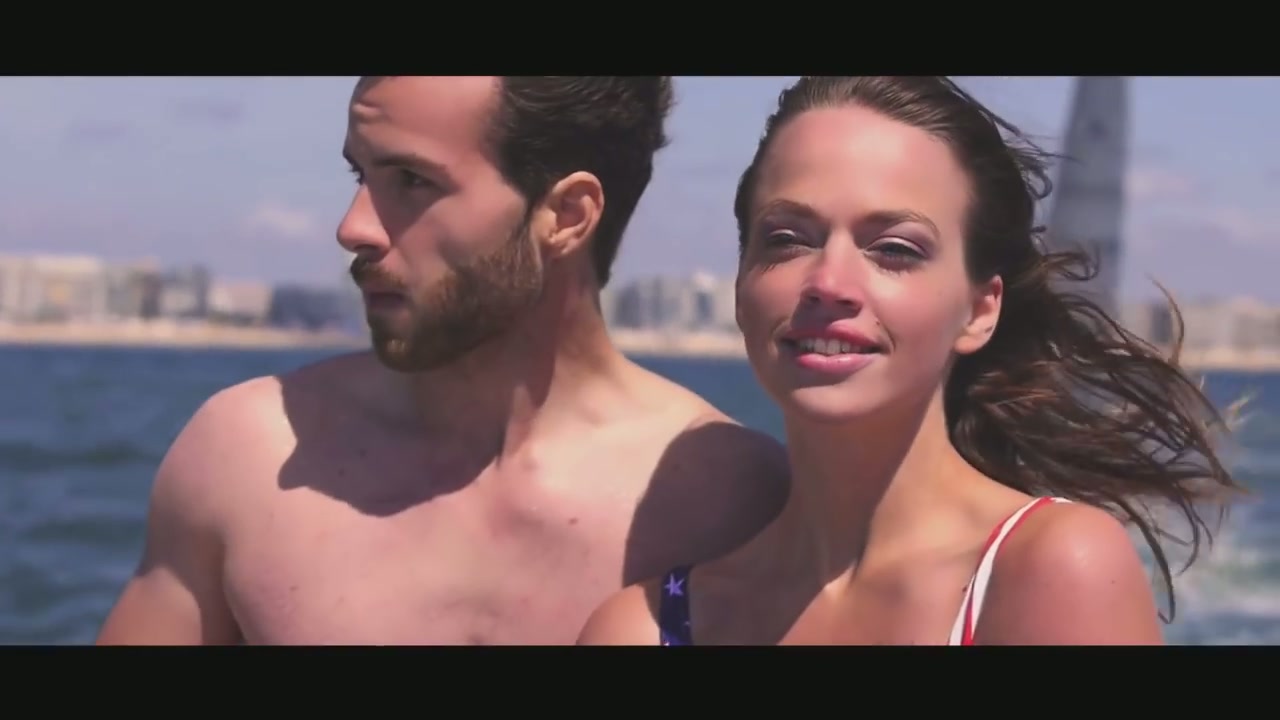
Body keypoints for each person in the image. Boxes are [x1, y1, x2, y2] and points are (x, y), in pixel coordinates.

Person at [96, 76, 789, 645]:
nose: (353, 227)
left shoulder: (740, 503)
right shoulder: (246, 459)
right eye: (360, 173)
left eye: (412, 181)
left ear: (567, 216)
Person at [577, 76, 1246, 646]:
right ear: (742, 286)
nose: (829, 282)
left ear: (979, 310)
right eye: (787, 239)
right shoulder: (644, 629)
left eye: (894, 249)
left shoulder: (1049, 569)